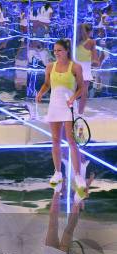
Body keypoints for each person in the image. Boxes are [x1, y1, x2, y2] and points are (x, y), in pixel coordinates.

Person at [35, 39, 86, 195]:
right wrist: (40, 93)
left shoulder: (75, 67)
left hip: (69, 106)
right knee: (55, 140)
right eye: (55, 50)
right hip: (54, 106)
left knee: (71, 141)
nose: (56, 53)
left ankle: (78, 176)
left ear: (67, 51)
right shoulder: (50, 66)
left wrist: (73, 98)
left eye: (59, 50)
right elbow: (46, 84)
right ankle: (58, 173)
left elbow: (82, 87)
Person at [75, 23, 104, 115]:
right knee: (83, 95)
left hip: (73, 70)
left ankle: (69, 111)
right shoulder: (91, 42)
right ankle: (80, 114)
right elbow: (96, 62)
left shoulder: (73, 41)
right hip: (85, 72)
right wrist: (103, 56)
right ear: (90, 31)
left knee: (71, 92)